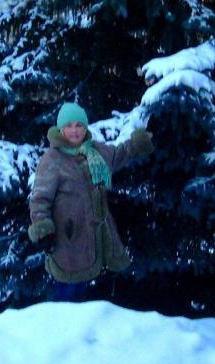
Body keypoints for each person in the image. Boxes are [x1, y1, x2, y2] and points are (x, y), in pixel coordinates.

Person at [27, 102, 154, 301]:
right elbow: (40, 199)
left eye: (79, 125)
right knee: (68, 296)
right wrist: (43, 227)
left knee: (90, 299)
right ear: (61, 128)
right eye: (69, 125)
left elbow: (118, 154)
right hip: (67, 240)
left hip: (95, 238)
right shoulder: (52, 160)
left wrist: (136, 144)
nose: (74, 130)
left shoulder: (96, 151)